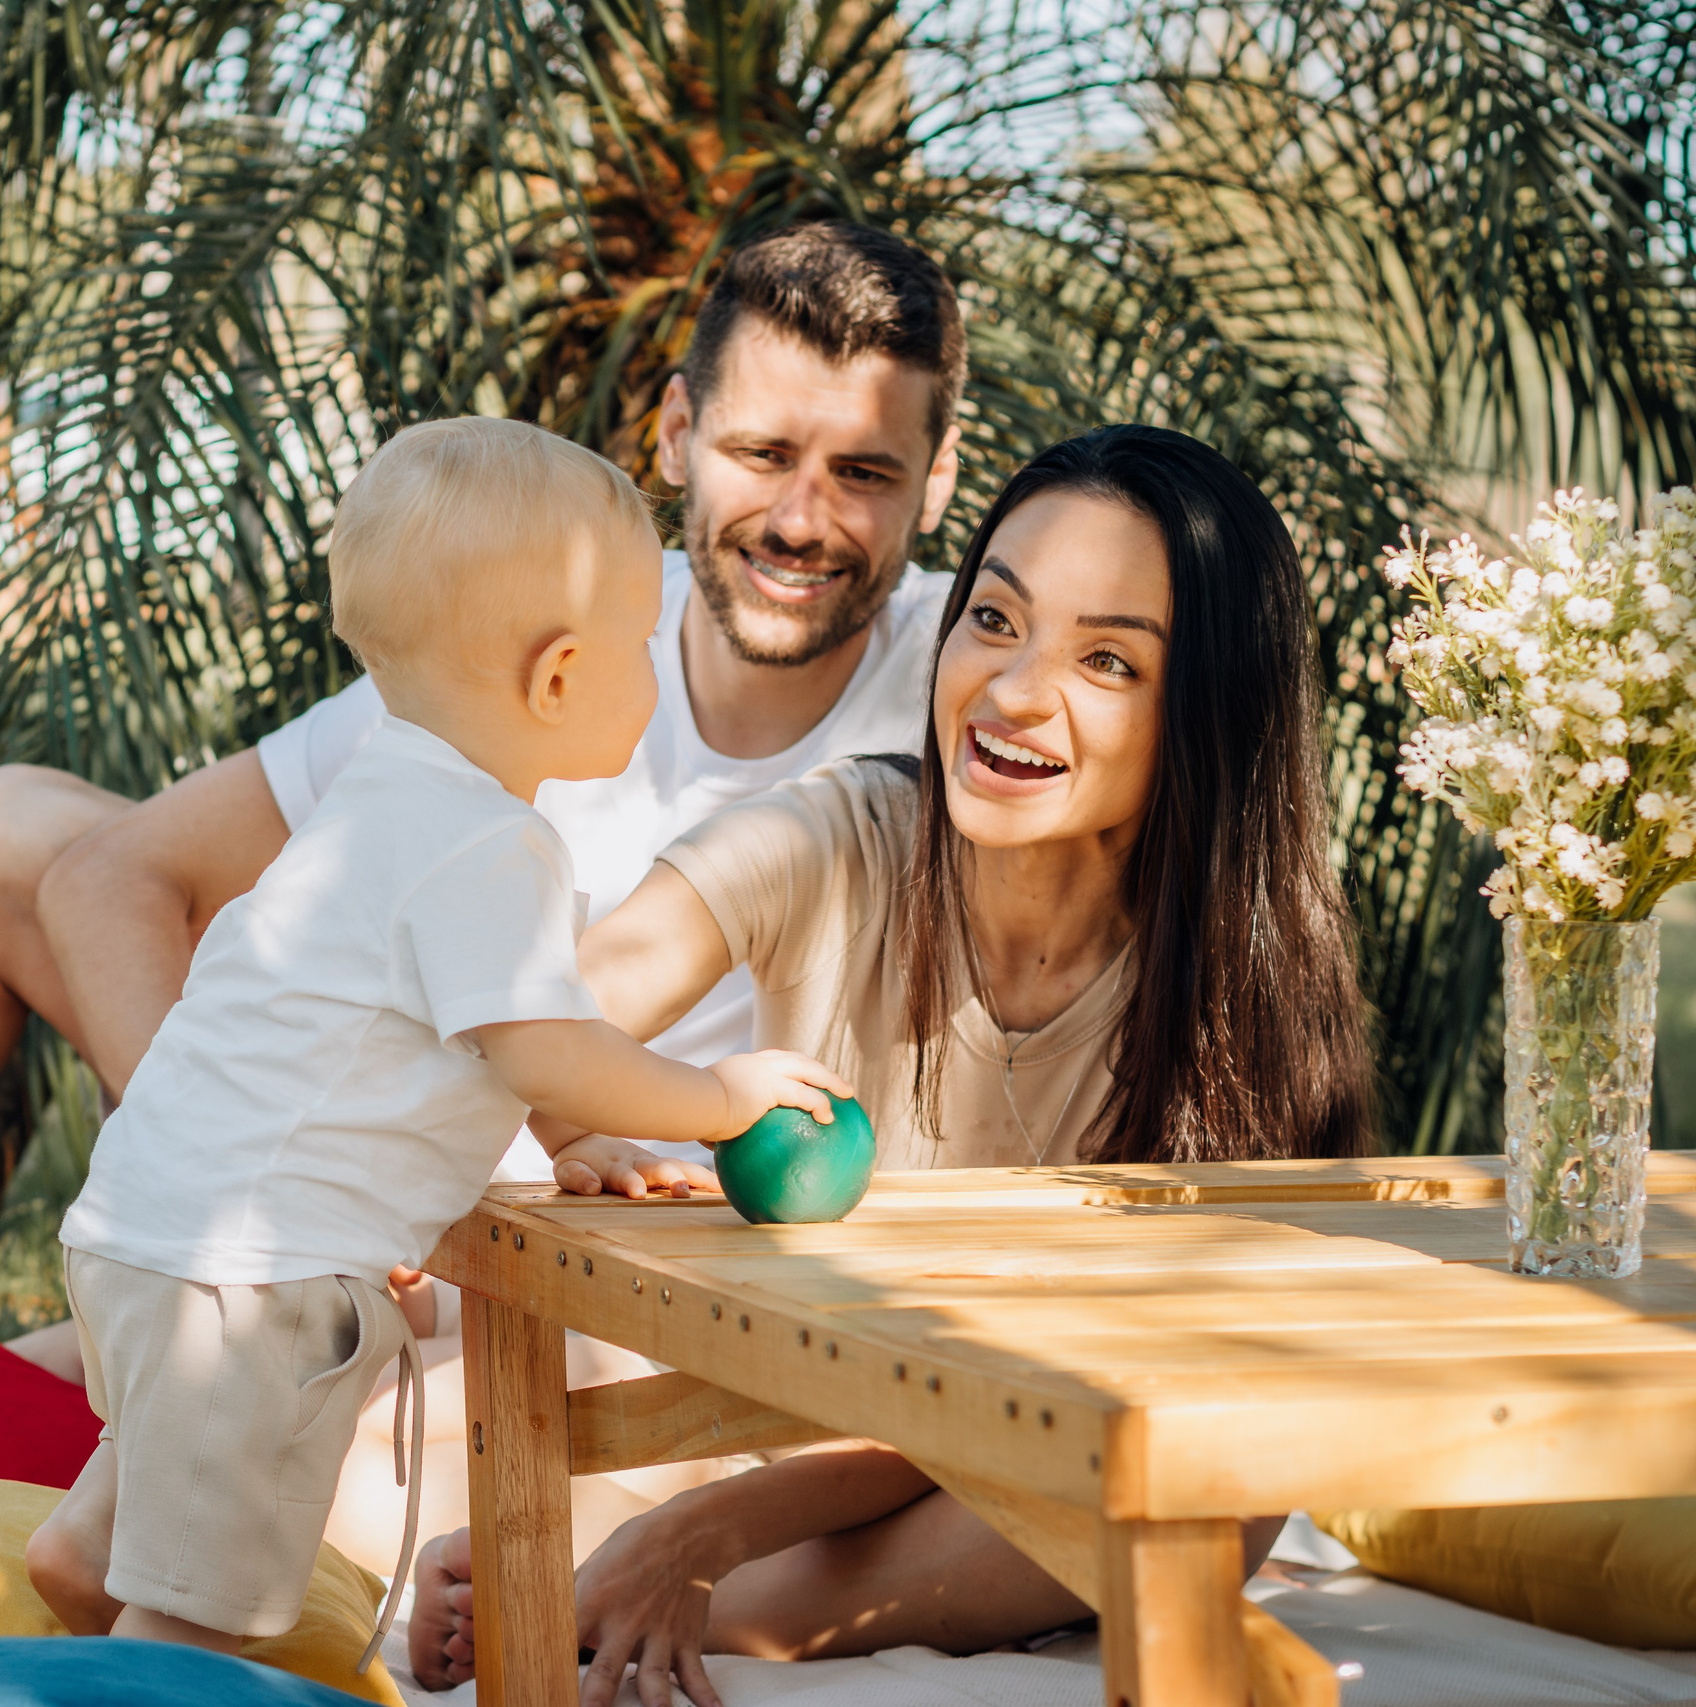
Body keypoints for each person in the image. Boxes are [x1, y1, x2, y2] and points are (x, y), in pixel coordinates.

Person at [0, 218, 967, 1267]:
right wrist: (242, 1171)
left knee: (114, 1412)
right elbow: (109, 874)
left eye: (864, 473)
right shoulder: (566, 620)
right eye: (764, 451)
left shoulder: (976, 689)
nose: (805, 516)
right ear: (679, 436)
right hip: (430, 1177)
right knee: (3, 831)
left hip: (629, 1233)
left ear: (940, 475)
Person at [407, 424, 1376, 1707]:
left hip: (1001, 1454)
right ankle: (617, 1575)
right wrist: (563, 1127)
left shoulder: (1232, 994)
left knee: (1218, 1484)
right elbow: (539, 1012)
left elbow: (1083, 1387)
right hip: (754, 1408)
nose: (1015, 692)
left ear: (1204, 710)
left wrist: (708, 1540)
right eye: (993, 618)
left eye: (1106, 660)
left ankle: (608, 1585)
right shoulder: (835, 833)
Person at [21, 418, 851, 1656]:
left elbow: (399, 1059)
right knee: (201, 1632)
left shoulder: (379, 800)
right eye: (636, 648)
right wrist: (720, 1098)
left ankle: (86, 1563)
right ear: (558, 679)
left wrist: (545, 1162)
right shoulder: (492, 846)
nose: (652, 672)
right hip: (259, 1295)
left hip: (145, 1244)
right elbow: (546, 1050)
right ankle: (145, 1661)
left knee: (140, 1528)